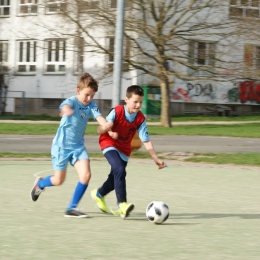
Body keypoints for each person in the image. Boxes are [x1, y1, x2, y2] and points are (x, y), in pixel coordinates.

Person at [30, 72, 112, 218]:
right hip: (61, 146)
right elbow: (65, 106)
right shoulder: (72, 101)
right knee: (59, 180)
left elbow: (99, 117)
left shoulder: (91, 104)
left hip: (78, 147)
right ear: (78, 91)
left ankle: (71, 208)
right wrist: (65, 110)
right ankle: (40, 185)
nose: (89, 98)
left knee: (86, 175)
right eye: (87, 95)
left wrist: (107, 127)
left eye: (92, 95)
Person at [91, 85, 165, 219]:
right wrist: (106, 129)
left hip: (124, 149)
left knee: (114, 179)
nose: (138, 105)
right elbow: (100, 130)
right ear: (126, 99)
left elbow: (146, 141)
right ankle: (122, 205)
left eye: (140, 102)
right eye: (135, 102)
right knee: (119, 170)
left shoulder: (140, 119)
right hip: (109, 143)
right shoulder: (117, 111)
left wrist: (156, 159)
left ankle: (99, 194)